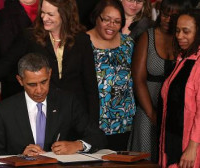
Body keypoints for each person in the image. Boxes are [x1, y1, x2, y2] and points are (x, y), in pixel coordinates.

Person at [0, 0, 99, 124]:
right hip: (43, 115)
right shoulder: (30, 36)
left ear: (65, 15)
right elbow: (3, 66)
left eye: (50, 14)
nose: (44, 18)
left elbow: (91, 88)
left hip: (74, 115)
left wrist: (92, 127)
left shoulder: (82, 40)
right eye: (42, 13)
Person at [0, 53, 107, 156]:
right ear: (20, 80)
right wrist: (20, 156)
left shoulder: (67, 102)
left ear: (49, 74)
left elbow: (98, 136)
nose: (39, 90)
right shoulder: (4, 110)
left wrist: (77, 145)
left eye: (44, 82)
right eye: (32, 84)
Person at [129, 0, 190, 162]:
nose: (167, 20)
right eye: (164, 14)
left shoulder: (184, 41)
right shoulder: (147, 36)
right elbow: (138, 79)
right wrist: (152, 114)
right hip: (148, 107)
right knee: (144, 157)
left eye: (173, 16)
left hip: (175, 114)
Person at [86, 0, 136, 151]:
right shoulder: (82, 42)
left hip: (123, 121)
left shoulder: (128, 43)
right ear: (96, 17)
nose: (111, 25)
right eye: (106, 19)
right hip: (91, 120)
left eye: (117, 21)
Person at [159, 9, 200, 168]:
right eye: (177, 30)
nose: (179, 36)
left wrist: (192, 147)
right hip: (172, 138)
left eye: (186, 31)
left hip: (190, 144)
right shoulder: (183, 58)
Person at [0, 0, 39, 99]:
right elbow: (7, 57)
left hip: (48, 83)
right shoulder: (5, 14)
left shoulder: (50, 8)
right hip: (17, 85)